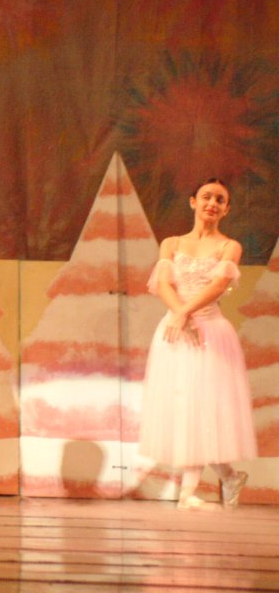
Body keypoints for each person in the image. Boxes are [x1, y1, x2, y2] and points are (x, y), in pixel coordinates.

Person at [138, 178, 256, 509]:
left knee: (202, 407)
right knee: (183, 407)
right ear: (193, 201)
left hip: (210, 331)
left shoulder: (229, 246)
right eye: (206, 196)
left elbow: (219, 285)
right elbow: (163, 283)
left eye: (220, 199)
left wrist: (186, 313)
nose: (212, 203)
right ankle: (227, 477)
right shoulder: (171, 243)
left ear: (227, 209)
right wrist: (179, 316)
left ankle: (188, 492)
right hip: (176, 331)